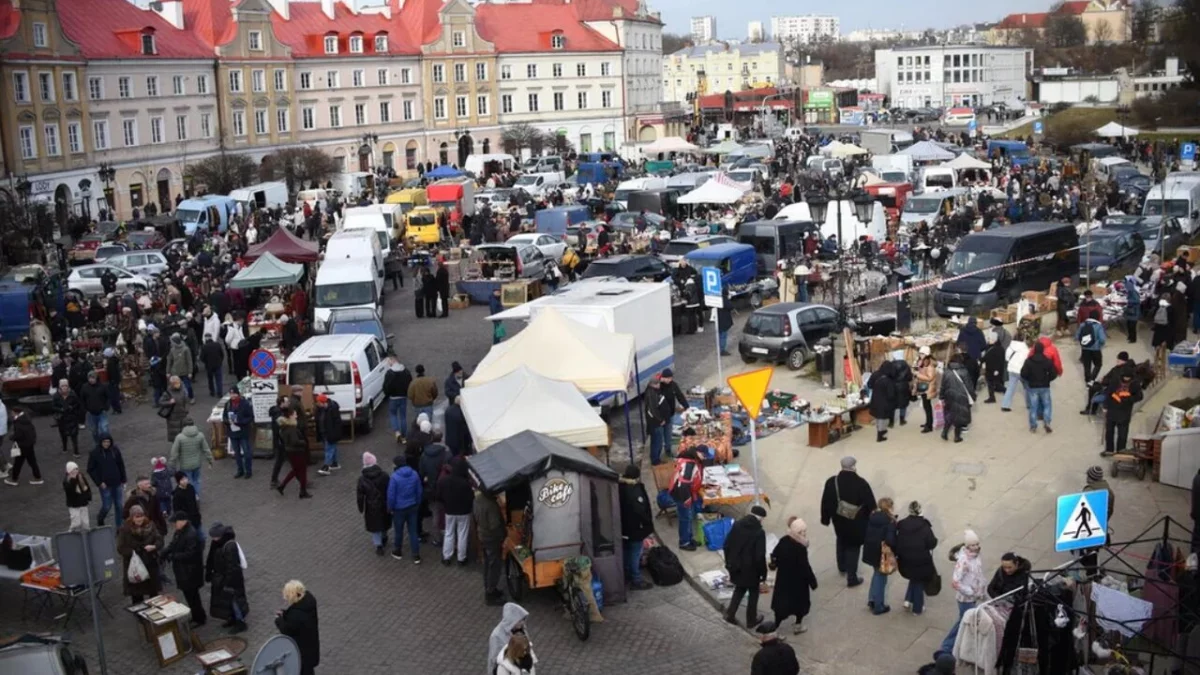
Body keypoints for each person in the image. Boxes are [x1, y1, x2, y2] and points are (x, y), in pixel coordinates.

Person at [819, 456, 875, 587]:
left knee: (841, 539)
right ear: (853, 467)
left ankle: (842, 566)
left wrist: (825, 519)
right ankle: (851, 577)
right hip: (856, 522)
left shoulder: (832, 482)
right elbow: (871, 505)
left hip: (838, 519)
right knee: (853, 547)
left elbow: (825, 502)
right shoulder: (861, 483)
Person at [936, 530, 986, 659]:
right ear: (967, 546)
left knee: (965, 621)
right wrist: (971, 591)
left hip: (974, 596)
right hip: (965, 598)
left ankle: (950, 646)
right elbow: (955, 582)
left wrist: (981, 590)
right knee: (964, 622)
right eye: (972, 545)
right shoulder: (963, 561)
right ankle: (947, 646)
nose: (976, 547)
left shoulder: (976, 556)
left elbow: (978, 574)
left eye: (977, 544)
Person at [769, 517, 817, 635]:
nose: (804, 533)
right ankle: (798, 625)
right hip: (798, 582)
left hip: (784, 580)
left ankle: (775, 629)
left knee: (781, 606)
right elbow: (805, 567)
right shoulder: (800, 548)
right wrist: (812, 582)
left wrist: (774, 564)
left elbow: (775, 556)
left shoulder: (784, 541)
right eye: (802, 531)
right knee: (800, 605)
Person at [724, 505, 768, 628]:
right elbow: (760, 556)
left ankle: (730, 614)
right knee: (753, 593)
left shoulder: (737, 525)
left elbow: (727, 544)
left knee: (739, 589)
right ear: (760, 519)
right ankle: (751, 620)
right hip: (751, 570)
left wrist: (729, 562)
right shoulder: (759, 532)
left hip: (736, 566)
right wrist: (763, 573)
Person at [163, 510, 207, 627]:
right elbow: (173, 544)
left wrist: (173, 556)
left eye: (175, 522)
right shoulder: (180, 531)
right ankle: (196, 616)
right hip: (184, 572)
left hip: (190, 572)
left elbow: (190, 554)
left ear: (182, 521)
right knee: (189, 596)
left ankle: (199, 618)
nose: (174, 525)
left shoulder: (190, 534)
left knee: (193, 597)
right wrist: (165, 552)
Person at [894, 501, 938, 616]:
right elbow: (931, 543)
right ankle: (917, 609)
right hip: (920, 560)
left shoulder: (902, 524)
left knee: (914, 577)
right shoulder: (924, 525)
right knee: (918, 581)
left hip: (904, 560)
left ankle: (908, 600)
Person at [206, 523, 248, 634]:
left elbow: (232, 567)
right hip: (223, 578)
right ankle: (232, 619)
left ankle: (240, 622)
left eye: (214, 536)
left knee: (235, 601)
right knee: (228, 601)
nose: (213, 539)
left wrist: (227, 583)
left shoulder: (229, 546)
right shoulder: (219, 543)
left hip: (231, 580)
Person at [116, 504, 164, 604]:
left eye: (141, 516)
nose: (140, 519)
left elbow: (159, 540)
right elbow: (121, 548)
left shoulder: (151, 525)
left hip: (150, 564)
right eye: (137, 517)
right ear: (132, 517)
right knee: (137, 595)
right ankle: (140, 615)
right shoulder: (125, 530)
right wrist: (133, 552)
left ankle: (155, 614)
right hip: (135, 567)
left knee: (153, 594)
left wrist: (154, 547)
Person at [617, 465, 655, 589]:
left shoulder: (619, 487)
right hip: (635, 528)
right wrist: (647, 524)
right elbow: (641, 510)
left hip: (623, 527)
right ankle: (636, 579)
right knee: (635, 553)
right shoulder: (634, 490)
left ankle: (626, 573)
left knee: (626, 551)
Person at [275, 580, 320, 675]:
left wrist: (279, 620)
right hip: (311, 646)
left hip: (301, 651)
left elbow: (286, 630)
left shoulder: (295, 615)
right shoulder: (309, 600)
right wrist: (286, 614)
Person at [863, 497, 898, 615]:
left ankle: (871, 599)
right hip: (881, 553)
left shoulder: (873, 516)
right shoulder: (889, 521)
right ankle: (878, 605)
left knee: (875, 574)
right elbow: (890, 540)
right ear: (889, 507)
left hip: (870, 550)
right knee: (881, 578)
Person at [387, 455, 422, 563]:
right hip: (412, 506)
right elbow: (419, 491)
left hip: (399, 509)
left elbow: (391, 495)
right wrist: (417, 503)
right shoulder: (414, 474)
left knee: (399, 531)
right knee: (413, 531)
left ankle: (398, 550)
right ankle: (416, 555)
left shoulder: (394, 477)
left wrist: (390, 508)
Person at [669, 446, 705, 551]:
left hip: (685, 493)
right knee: (685, 518)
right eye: (704, 454)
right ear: (698, 453)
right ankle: (684, 542)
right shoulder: (690, 465)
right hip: (683, 495)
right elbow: (683, 484)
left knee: (688, 517)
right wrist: (687, 499)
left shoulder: (689, 460)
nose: (705, 457)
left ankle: (689, 538)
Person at [356, 452, 392, 555]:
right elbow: (390, 490)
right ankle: (384, 536)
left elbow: (360, 495)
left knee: (375, 526)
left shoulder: (362, 479)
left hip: (371, 506)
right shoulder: (384, 475)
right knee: (384, 521)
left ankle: (378, 545)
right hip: (384, 503)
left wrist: (361, 507)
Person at [476, 487, 507, 605]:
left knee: (488, 563)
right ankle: (491, 593)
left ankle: (489, 588)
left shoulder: (478, 499)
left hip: (482, 535)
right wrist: (502, 536)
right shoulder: (491, 505)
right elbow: (494, 525)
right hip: (492, 539)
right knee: (494, 565)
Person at [87, 433, 127, 526]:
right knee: (107, 506)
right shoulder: (95, 453)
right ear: (100, 442)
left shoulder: (115, 450)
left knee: (119, 506)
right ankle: (100, 518)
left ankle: (119, 526)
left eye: (108, 442)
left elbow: (121, 464)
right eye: (104, 442)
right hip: (105, 485)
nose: (106, 444)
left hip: (117, 483)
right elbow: (90, 469)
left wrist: (124, 479)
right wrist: (99, 482)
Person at [1102, 369, 1143, 456]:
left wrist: (1129, 399)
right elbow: (1108, 393)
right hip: (1112, 409)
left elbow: (1139, 396)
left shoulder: (1135, 384)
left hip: (1124, 411)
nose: (1126, 379)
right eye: (1125, 377)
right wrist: (1105, 406)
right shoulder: (1115, 381)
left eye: (1128, 378)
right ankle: (1109, 450)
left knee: (1122, 433)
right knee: (1109, 431)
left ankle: (1121, 451)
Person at [170, 418, 213, 499]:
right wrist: (210, 460)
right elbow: (206, 449)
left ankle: (192, 497)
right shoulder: (200, 435)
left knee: (188, 482)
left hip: (185, 465)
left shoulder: (179, 437)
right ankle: (197, 495)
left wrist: (172, 464)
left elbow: (174, 453)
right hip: (197, 463)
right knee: (197, 481)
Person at [1020, 340, 1058, 434]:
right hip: (1044, 386)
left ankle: (1033, 426)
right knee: (1047, 405)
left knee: (1033, 406)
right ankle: (1047, 422)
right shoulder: (1047, 361)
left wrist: (1029, 380)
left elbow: (1023, 374)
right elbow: (1054, 373)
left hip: (1033, 386)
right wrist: (1048, 379)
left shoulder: (1028, 361)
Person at [275, 408, 311, 499]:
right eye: (295, 414)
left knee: (295, 470)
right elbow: (295, 441)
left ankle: (282, 486)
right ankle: (302, 491)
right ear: (290, 416)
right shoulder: (291, 428)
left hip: (290, 451)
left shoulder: (283, 427)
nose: (296, 416)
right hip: (297, 451)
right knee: (302, 471)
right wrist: (303, 442)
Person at [939, 354, 974, 443]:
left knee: (949, 415)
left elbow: (943, 386)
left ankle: (944, 432)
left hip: (949, 396)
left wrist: (941, 397)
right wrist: (973, 396)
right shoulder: (964, 371)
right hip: (961, 396)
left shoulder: (946, 371)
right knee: (959, 417)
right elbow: (969, 386)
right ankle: (957, 437)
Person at [487, 603, 530, 675]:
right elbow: (493, 659)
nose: (522, 623)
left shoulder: (521, 629)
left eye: (523, 620)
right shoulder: (496, 636)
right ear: (512, 620)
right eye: (519, 621)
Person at [5, 406, 42, 485]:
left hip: (23, 445)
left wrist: (12, 437)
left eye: (12, 412)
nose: (11, 414)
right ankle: (37, 477)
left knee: (18, 463)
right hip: (29, 444)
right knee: (32, 462)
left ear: (15, 413)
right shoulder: (26, 419)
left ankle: (14, 479)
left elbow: (19, 434)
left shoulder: (18, 422)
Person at [222, 387, 253, 478]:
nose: (232, 396)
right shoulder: (228, 404)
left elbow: (250, 417)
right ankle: (240, 470)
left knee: (246, 452)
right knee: (237, 453)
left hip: (243, 431)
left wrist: (240, 421)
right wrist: (227, 421)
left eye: (234, 394)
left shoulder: (245, 404)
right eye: (231, 394)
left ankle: (248, 471)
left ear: (238, 394)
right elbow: (224, 417)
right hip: (233, 432)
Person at [866, 362, 898, 442]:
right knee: (882, 417)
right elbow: (891, 393)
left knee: (878, 415)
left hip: (875, 397)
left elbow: (869, 384)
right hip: (884, 400)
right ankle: (880, 435)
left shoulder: (875, 374)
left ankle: (880, 430)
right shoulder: (889, 378)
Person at [51, 379, 83, 457]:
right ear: (59, 386)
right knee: (63, 434)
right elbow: (53, 407)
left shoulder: (73, 394)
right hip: (62, 418)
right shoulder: (56, 396)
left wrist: (72, 407)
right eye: (62, 386)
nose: (64, 387)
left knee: (74, 435)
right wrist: (60, 409)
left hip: (72, 417)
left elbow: (78, 404)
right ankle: (65, 447)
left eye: (66, 385)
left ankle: (76, 451)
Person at [383, 356, 412, 442]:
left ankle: (397, 431)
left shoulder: (389, 373)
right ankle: (404, 436)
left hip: (393, 398)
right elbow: (410, 382)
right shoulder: (406, 371)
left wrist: (387, 394)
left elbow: (385, 386)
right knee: (403, 416)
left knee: (393, 415)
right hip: (403, 397)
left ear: (392, 361)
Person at [1076, 306, 1107, 384]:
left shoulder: (1083, 324)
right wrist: (1101, 345)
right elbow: (1102, 339)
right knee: (1098, 364)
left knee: (1087, 365)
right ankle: (1092, 379)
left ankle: (1087, 380)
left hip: (1085, 348)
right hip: (1096, 349)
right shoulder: (1099, 326)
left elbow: (1077, 336)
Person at [314, 394, 342, 476]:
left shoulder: (332, 409)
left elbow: (336, 423)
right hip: (324, 432)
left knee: (328, 449)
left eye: (318, 402)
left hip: (330, 433)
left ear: (323, 402)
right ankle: (334, 463)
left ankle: (326, 467)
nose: (317, 404)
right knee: (332, 448)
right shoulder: (321, 409)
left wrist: (334, 433)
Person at [913, 347, 939, 432]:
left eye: (922, 354)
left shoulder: (930, 365)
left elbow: (930, 378)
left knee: (927, 407)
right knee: (926, 406)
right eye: (920, 353)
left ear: (926, 354)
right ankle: (928, 423)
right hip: (924, 387)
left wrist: (917, 375)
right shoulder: (923, 362)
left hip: (928, 388)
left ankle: (929, 426)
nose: (920, 355)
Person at [79, 371, 110, 443]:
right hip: (91, 413)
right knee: (94, 430)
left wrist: (106, 407)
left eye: (93, 378)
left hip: (102, 412)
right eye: (89, 378)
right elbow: (82, 399)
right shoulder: (84, 387)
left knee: (104, 428)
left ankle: (107, 443)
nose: (91, 380)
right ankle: (98, 443)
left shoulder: (103, 386)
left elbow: (108, 397)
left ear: (96, 378)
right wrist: (85, 409)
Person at [1001, 336, 1029, 412]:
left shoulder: (1010, 347)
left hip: (1012, 369)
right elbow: (1027, 361)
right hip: (1021, 371)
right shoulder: (1025, 349)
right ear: (1023, 339)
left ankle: (1005, 405)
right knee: (1027, 387)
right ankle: (1029, 404)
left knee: (1010, 387)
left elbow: (1007, 358)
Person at [160, 375, 191, 445]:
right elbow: (161, 402)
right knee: (175, 435)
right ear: (171, 384)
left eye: (178, 382)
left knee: (183, 434)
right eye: (175, 383)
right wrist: (169, 402)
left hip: (182, 415)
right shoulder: (168, 392)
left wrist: (186, 410)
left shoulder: (183, 390)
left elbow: (186, 401)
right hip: (172, 418)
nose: (177, 384)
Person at [63, 461, 92, 531]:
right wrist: (73, 480)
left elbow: (86, 487)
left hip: (83, 503)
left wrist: (88, 496)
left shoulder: (81, 476)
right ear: (69, 471)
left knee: (86, 524)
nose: (76, 471)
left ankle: (86, 537)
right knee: (76, 522)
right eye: (73, 469)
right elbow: (70, 493)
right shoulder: (67, 481)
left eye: (76, 469)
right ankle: (71, 532)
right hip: (74, 505)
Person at [166, 333, 195, 401]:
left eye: (172, 342)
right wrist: (168, 372)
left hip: (184, 372)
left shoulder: (186, 349)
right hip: (175, 372)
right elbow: (169, 361)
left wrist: (190, 372)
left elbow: (189, 361)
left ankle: (191, 397)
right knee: (176, 386)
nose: (171, 343)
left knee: (188, 386)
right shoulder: (172, 350)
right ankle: (179, 398)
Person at [982, 333, 1007, 404]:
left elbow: (999, 361)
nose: (988, 340)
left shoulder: (997, 349)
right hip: (991, 369)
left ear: (994, 340)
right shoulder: (994, 347)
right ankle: (992, 397)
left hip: (994, 370)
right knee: (993, 383)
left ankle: (1004, 392)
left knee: (994, 383)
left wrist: (997, 370)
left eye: (989, 339)